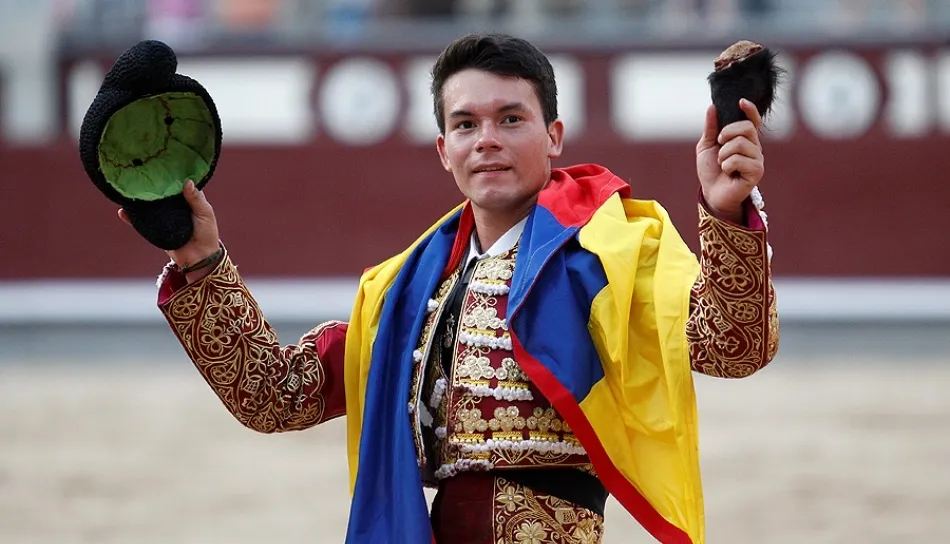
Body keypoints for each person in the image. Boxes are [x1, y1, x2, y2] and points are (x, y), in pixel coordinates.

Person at [120, 33, 779, 544]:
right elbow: (275, 397)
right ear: (443, 150)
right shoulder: (408, 295)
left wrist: (725, 216)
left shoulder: (611, 255)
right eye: (466, 125)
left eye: (510, 119)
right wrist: (199, 258)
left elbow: (733, 347)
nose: (486, 141)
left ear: (553, 136)